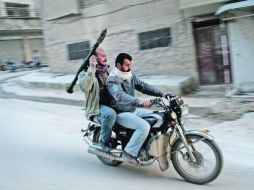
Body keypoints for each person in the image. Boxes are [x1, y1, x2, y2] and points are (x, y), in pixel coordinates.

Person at [106, 53, 169, 164]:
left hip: (133, 110)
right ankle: (129, 152)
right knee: (144, 126)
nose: (129, 67)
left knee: (158, 117)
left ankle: (148, 145)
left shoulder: (130, 76)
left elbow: (144, 86)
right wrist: (139, 101)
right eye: (126, 65)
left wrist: (162, 94)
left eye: (130, 65)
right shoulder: (112, 80)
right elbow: (120, 96)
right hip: (121, 113)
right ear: (118, 65)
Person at [79, 48, 116, 152]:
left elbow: (114, 86)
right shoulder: (84, 73)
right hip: (96, 107)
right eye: (102, 56)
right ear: (94, 58)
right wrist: (92, 67)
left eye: (105, 55)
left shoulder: (107, 70)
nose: (105, 57)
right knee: (110, 114)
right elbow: (85, 87)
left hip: (110, 103)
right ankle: (104, 142)